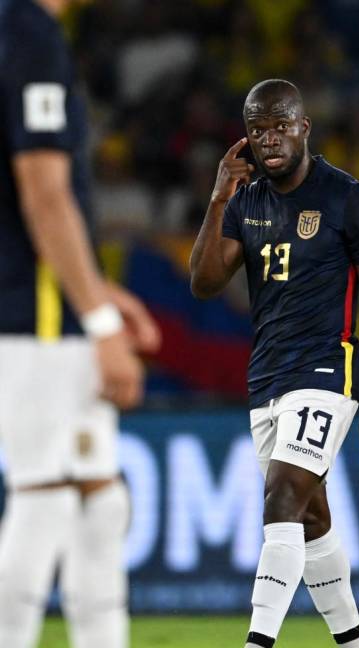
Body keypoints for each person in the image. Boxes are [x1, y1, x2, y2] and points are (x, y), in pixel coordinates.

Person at [191, 79, 359, 648]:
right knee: (310, 520)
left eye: (280, 124)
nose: (269, 138)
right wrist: (218, 198)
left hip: (328, 372)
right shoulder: (249, 200)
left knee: (282, 495)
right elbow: (206, 282)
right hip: (267, 379)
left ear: (304, 127)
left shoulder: (348, 197)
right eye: (257, 128)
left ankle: (257, 642)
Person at [0, 1, 161, 647]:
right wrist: (97, 322)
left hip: (49, 302)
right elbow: (42, 190)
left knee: (100, 498)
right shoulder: (27, 32)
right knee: (46, 491)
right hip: (35, 317)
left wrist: (96, 291)